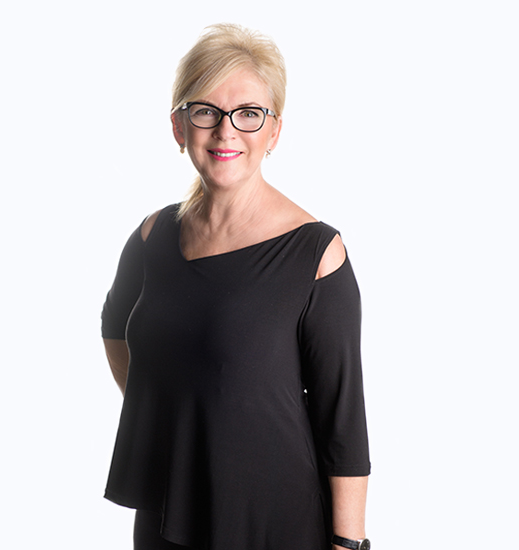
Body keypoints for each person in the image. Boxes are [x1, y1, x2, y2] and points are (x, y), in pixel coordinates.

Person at [101, 23, 371, 550]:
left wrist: (350, 543)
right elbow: (115, 328)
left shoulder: (316, 254)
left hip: (273, 521)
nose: (226, 132)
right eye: (206, 111)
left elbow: (342, 419)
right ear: (179, 127)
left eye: (249, 113)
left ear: (274, 132)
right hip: (168, 511)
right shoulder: (153, 235)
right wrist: (173, 417)